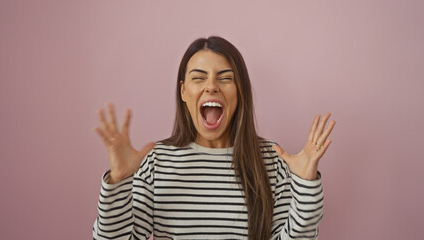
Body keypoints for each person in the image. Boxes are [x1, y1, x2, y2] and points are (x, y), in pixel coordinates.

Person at [92, 36, 336, 240]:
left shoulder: (272, 161)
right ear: (184, 91)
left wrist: (306, 184)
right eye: (198, 77)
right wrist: (118, 182)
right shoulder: (157, 162)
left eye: (225, 78)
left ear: (240, 92)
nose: (211, 86)